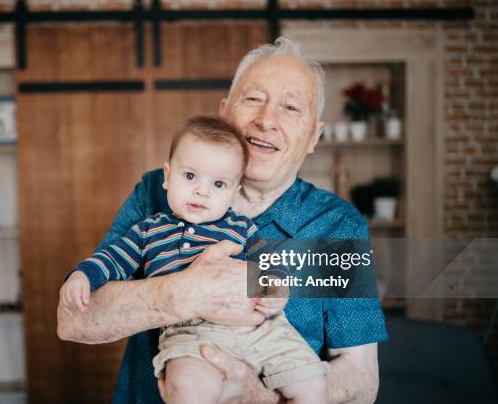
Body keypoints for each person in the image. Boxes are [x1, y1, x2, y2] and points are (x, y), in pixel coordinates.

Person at [57, 36, 388, 404]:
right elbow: (73, 320)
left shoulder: (338, 225)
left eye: (291, 108)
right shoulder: (157, 191)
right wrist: (184, 293)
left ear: (313, 136)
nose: (266, 121)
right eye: (253, 99)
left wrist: (256, 396)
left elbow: (361, 378)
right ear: (224, 111)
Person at [62, 115, 329, 403]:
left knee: (312, 385)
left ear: (234, 192)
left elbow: (270, 266)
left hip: (261, 332)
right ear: (167, 176)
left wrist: (275, 291)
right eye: (190, 176)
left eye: (218, 184)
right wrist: (83, 276)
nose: (202, 190)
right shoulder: (148, 230)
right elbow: (112, 259)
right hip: (190, 333)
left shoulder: (241, 227)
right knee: (188, 388)